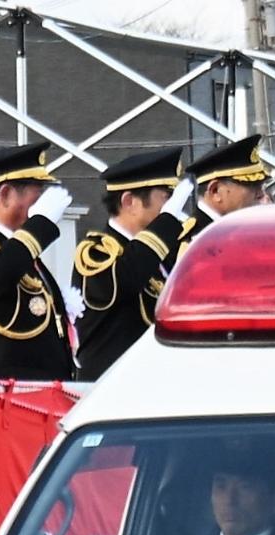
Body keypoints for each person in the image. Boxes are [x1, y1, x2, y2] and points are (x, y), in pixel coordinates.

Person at [109, 136, 271, 349]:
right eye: (252, 186)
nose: (261, 194)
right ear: (215, 191)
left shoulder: (231, 236)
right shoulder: (194, 242)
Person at [0, 141, 74, 380]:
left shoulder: (24, 252)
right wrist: (40, 224)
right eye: (38, 194)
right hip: (8, 390)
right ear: (5, 195)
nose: (44, 203)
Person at [71, 146, 184, 377]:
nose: (172, 208)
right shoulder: (96, 252)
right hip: (111, 383)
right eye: (165, 198)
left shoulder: (161, 252)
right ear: (129, 201)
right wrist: (167, 223)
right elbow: (127, 279)